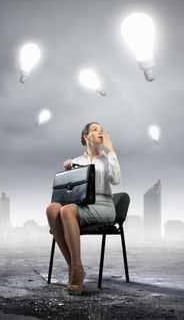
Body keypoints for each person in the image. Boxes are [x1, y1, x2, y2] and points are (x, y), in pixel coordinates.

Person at [46, 122, 122, 295]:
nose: (100, 132)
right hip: (81, 204)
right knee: (52, 209)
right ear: (85, 136)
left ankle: (76, 269)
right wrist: (67, 172)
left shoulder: (107, 157)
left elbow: (116, 180)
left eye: (102, 129)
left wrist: (111, 151)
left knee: (67, 210)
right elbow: (69, 191)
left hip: (103, 205)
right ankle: (75, 267)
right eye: (95, 129)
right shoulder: (77, 161)